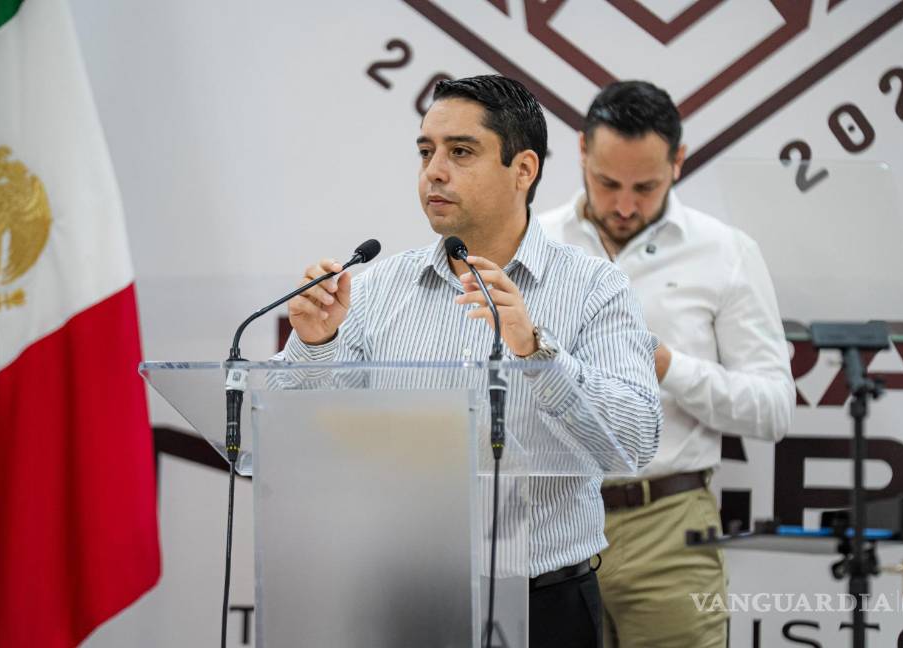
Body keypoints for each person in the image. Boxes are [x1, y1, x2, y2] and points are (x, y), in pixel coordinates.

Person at [274, 75, 662, 647]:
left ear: (523, 169)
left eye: (460, 152)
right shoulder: (376, 288)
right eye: (426, 151)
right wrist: (313, 345)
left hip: (543, 604)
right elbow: (291, 444)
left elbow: (635, 439)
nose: (434, 171)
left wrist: (537, 351)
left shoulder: (593, 287)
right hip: (404, 598)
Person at [539, 80, 795, 647]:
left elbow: (774, 409)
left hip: (668, 525)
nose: (625, 206)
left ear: (678, 161)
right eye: (607, 183)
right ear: (581, 150)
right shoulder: (533, 243)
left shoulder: (726, 252)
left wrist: (668, 366)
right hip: (547, 520)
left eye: (646, 187)